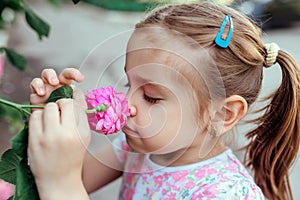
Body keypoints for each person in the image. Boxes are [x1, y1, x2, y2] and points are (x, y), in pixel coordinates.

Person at [28, 2, 300, 200]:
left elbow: (63, 184)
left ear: (223, 114)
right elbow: (65, 178)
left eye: (151, 97)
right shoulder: (136, 147)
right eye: (128, 83)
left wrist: (60, 183)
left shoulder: (223, 194)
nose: (128, 104)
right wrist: (52, 123)